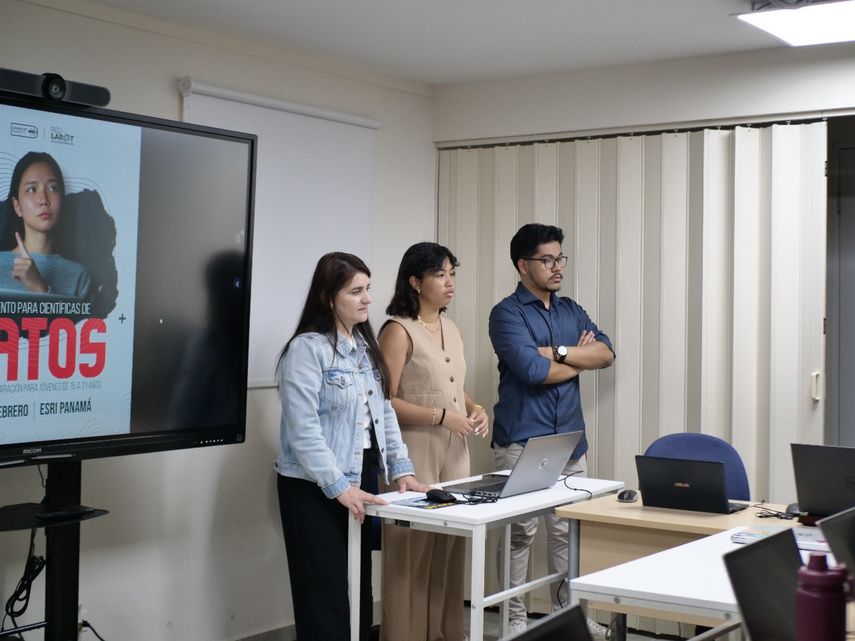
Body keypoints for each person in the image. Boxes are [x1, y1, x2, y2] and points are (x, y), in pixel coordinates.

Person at [274, 252, 427, 641]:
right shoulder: (307, 349)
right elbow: (302, 429)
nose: (367, 299)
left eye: (368, 289)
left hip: (362, 472)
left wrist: (402, 469)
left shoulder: (364, 346)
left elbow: (384, 412)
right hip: (313, 483)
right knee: (323, 595)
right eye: (355, 291)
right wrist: (339, 486)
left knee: (358, 588)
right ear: (328, 297)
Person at [488, 223, 615, 636]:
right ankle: (515, 621)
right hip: (523, 439)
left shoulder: (571, 309)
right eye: (547, 259)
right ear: (523, 266)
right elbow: (530, 370)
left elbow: (607, 353)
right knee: (520, 535)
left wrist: (559, 351)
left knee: (566, 532)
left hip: (570, 441)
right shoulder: (507, 313)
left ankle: (568, 617)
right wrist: (579, 359)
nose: (557, 266)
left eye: (560, 257)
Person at [378, 242, 489, 641]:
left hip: (455, 454)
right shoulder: (397, 330)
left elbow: (454, 387)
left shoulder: (451, 327)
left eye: (452, 274)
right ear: (415, 281)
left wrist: (476, 408)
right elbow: (385, 401)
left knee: (448, 550)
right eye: (440, 274)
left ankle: (443, 635)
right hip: (413, 453)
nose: (449, 283)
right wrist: (444, 416)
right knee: (411, 552)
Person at [0, 151, 91, 298]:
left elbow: (76, 322)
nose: (43, 199)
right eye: (32, 189)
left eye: (52, 188)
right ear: (17, 206)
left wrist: (40, 289)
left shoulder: (79, 276)